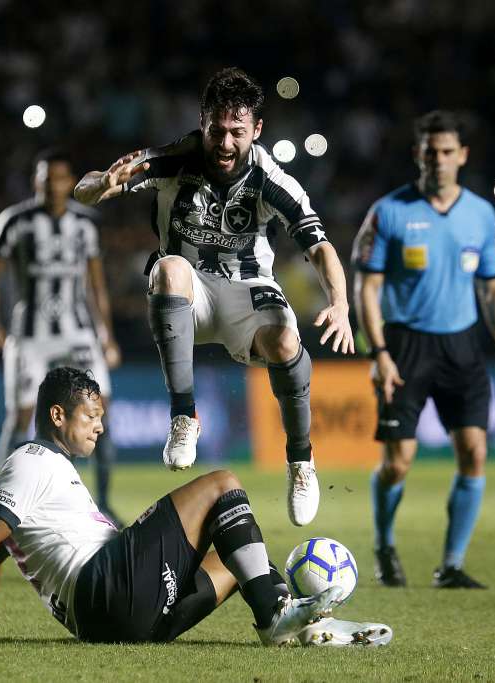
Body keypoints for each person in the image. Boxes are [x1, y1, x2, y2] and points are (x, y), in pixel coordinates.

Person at [74, 67, 354, 527]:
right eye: (217, 130)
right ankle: (185, 418)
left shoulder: (270, 179)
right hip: (191, 295)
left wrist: (340, 303)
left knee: (286, 342)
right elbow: (86, 187)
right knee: (169, 267)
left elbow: (319, 245)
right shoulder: (173, 158)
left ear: (257, 130)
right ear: (203, 120)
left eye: (237, 133)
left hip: (247, 290)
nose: (225, 144)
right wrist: (102, 186)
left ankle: (301, 462)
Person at [0, 366, 391, 648]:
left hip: (118, 622)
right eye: (90, 416)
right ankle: (276, 619)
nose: (100, 427)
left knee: (242, 559)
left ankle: (302, 625)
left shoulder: (53, 468)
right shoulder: (32, 460)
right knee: (222, 484)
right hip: (105, 588)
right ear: (56, 416)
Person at [352, 110, 495, 589]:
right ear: (418, 155)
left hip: (463, 346)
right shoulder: (388, 212)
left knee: (474, 452)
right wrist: (379, 354)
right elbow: (366, 289)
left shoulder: (481, 214)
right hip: (405, 346)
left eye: (447, 151)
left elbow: (494, 290)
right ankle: (385, 545)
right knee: (398, 462)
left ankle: (451, 565)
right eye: (430, 152)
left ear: (463, 156)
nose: (438, 160)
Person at [0, 148, 122, 523]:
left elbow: (96, 285)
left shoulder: (85, 224)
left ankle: (103, 502)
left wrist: (106, 335)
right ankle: (2, 505)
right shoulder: (16, 221)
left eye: (57, 178)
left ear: (70, 183)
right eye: (44, 178)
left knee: (98, 413)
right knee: (20, 416)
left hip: (77, 333)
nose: (51, 185)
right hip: (29, 335)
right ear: (35, 182)